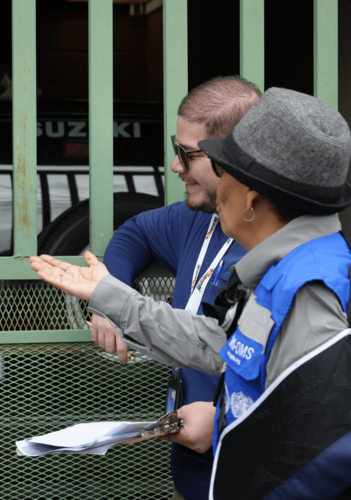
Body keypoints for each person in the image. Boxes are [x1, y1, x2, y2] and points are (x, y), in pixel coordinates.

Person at [31, 88, 351, 499]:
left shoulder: (311, 292)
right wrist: (112, 297)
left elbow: (316, 453)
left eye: (223, 170)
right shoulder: (305, 266)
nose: (207, 179)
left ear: (250, 199)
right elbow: (233, 349)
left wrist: (223, 426)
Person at [90, 76, 258, 500]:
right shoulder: (200, 219)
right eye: (175, 148)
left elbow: (299, 387)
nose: (175, 165)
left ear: (230, 156)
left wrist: (220, 421)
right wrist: (108, 295)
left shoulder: (279, 255)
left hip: (251, 476)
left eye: (186, 153)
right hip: (192, 473)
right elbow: (134, 233)